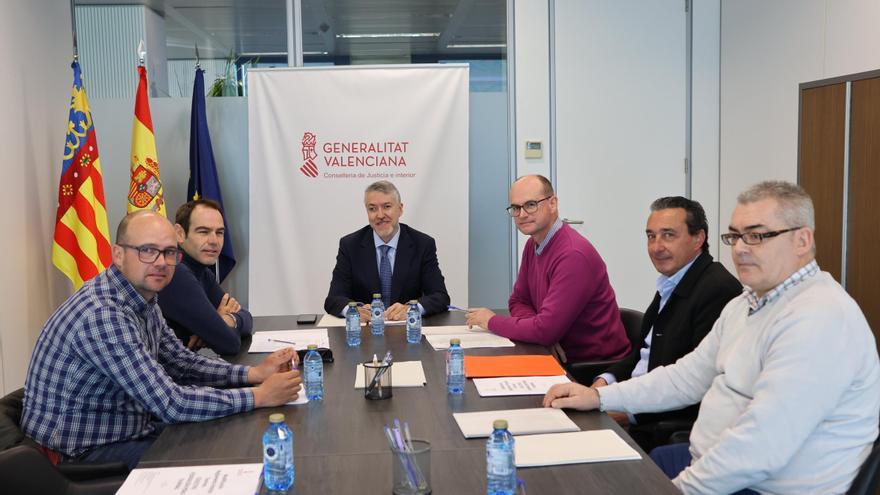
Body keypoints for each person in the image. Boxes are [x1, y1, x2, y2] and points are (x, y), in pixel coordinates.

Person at [543, 181, 880, 494]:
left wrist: (678, 489)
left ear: (802, 240)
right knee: (587, 476)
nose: (741, 249)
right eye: (735, 236)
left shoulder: (819, 318)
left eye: (757, 236)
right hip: (709, 459)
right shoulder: (745, 303)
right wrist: (599, 398)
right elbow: (686, 377)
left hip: (763, 485)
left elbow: (759, 448)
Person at [22, 211, 302, 469]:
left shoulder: (143, 298)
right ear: (118, 255)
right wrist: (259, 395)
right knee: (220, 458)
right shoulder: (103, 314)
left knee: (229, 435)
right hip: (80, 453)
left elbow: (182, 364)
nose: (161, 262)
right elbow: (171, 403)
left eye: (169, 252)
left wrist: (253, 373)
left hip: (127, 427)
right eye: (147, 250)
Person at [595, 197, 741, 450]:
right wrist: (606, 381)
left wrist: (628, 414)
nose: (656, 247)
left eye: (668, 235)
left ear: (698, 239)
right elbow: (644, 354)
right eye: (651, 236)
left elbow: (697, 384)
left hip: (658, 425)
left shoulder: (716, 289)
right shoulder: (673, 280)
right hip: (633, 401)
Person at [466, 175, 630, 362]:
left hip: (592, 367)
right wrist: (537, 331)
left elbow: (545, 330)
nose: (522, 214)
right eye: (516, 208)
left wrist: (491, 321)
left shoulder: (572, 255)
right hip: (555, 355)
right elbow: (519, 301)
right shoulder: (533, 244)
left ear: (553, 203)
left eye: (531, 205)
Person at [324, 180, 450, 321]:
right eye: (372, 209)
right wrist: (353, 310)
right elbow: (333, 299)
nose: (380, 215)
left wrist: (411, 309)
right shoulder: (350, 245)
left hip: (407, 329)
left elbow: (440, 296)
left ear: (400, 209)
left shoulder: (422, 244)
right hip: (365, 333)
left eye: (387, 207)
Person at [158, 199, 253, 354]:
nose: (214, 241)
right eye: (203, 232)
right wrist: (216, 329)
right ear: (179, 234)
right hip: (165, 375)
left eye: (219, 233)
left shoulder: (201, 271)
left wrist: (224, 320)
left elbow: (247, 317)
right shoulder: (176, 273)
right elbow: (229, 343)